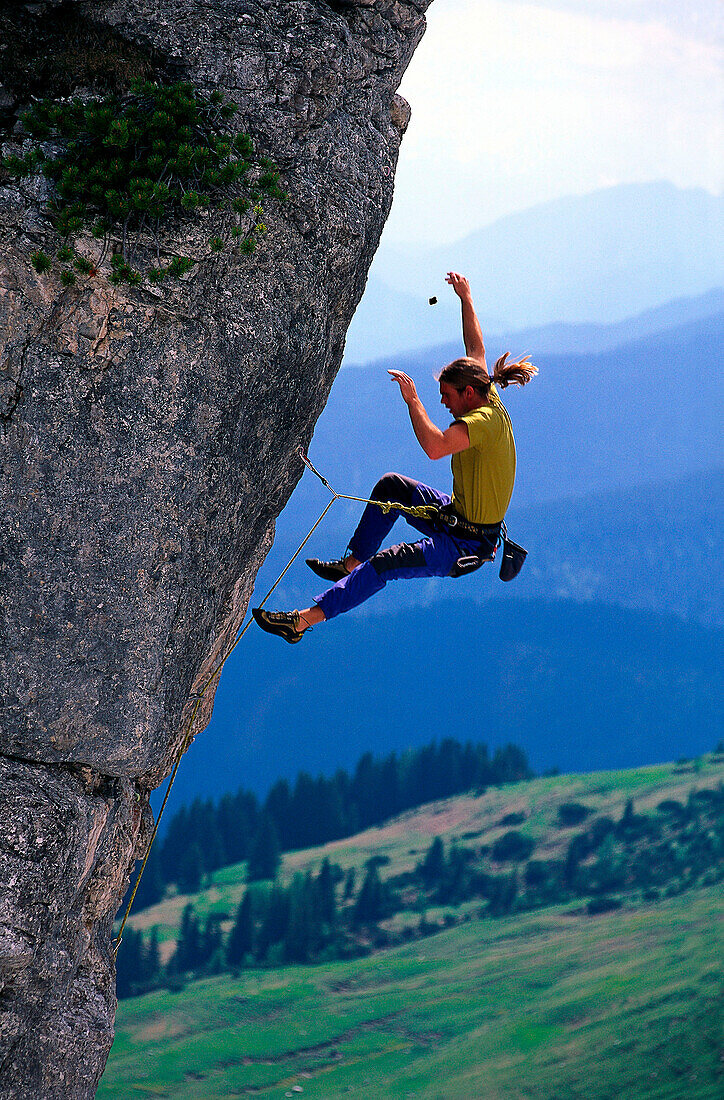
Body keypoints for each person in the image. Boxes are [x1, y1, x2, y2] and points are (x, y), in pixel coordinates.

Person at [253, 272, 537, 642]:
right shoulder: (485, 391)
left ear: (467, 393)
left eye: (447, 396)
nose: (443, 402)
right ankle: (352, 563)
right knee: (391, 487)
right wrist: (465, 298)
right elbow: (476, 347)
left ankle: (301, 622)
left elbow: (435, 447)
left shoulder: (481, 421)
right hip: (456, 516)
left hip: (465, 544)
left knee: (386, 565)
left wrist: (413, 400)